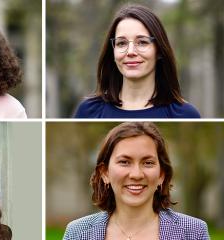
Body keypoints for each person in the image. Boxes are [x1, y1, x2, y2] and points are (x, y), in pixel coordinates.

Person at [63, 122, 209, 239]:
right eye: (125, 162)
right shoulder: (77, 233)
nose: (136, 174)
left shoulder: (193, 232)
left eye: (148, 163)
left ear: (161, 175)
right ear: (105, 173)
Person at [74, 5, 200, 118]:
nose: (130, 52)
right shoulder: (89, 111)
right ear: (112, 51)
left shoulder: (184, 114)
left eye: (142, 42)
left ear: (159, 51)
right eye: (121, 43)